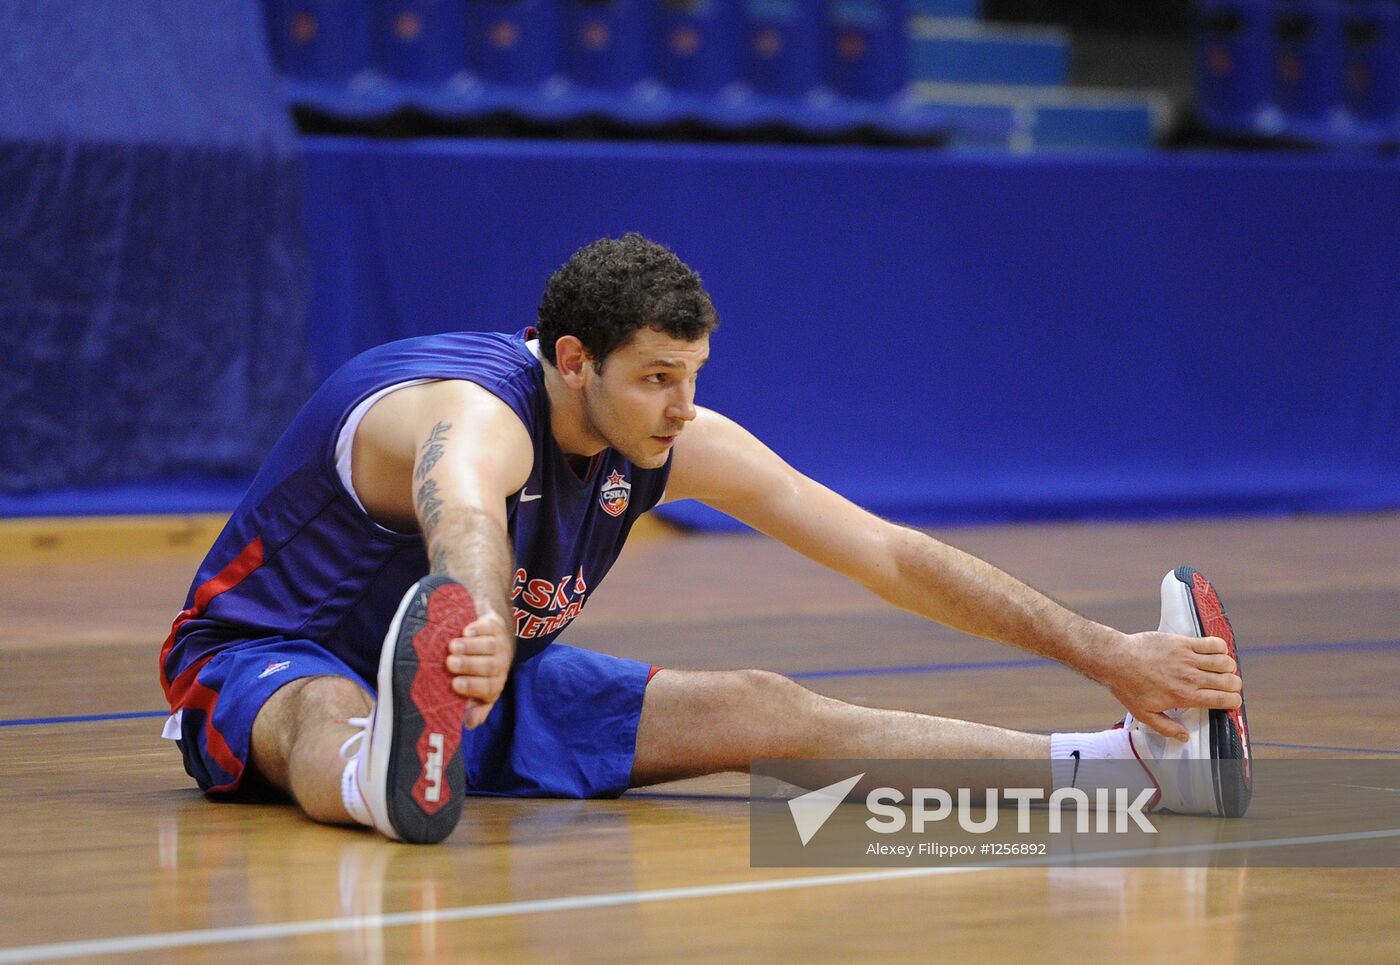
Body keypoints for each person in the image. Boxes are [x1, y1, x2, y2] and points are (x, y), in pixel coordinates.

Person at [159, 233, 1250, 844]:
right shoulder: (473, 409)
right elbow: (463, 514)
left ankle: (1125, 769)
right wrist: (480, 620)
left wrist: (1099, 648)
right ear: (571, 357)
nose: (680, 406)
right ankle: (379, 771)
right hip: (265, 659)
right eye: (656, 377)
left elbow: (887, 552)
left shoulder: (670, 432)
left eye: (692, 377)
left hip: (481, 683)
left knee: (764, 705)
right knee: (329, 708)